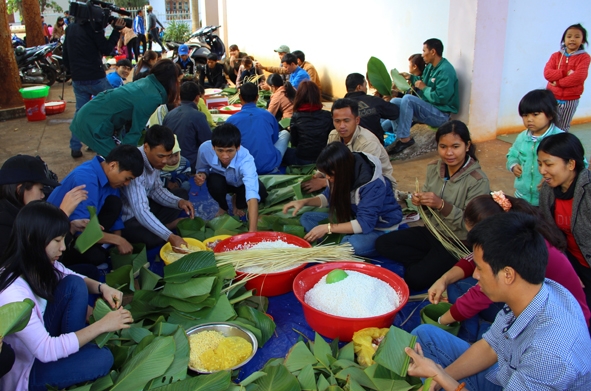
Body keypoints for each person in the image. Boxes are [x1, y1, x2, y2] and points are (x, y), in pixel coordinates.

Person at [406, 212, 591, 391]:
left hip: (521, 377)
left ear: (508, 274)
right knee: (425, 336)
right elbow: (490, 346)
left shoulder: (549, 353)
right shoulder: (530, 293)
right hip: (508, 375)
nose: (474, 275)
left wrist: (439, 376)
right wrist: (439, 378)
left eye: (479, 268)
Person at [0, 202, 133, 391]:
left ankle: (72, 353)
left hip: (39, 348)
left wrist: (103, 288)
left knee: (74, 284)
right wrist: (102, 325)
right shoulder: (14, 293)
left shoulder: (35, 262)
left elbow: (69, 274)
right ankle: (72, 358)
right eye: (57, 240)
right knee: (103, 358)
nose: (63, 248)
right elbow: (45, 350)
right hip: (27, 369)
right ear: (33, 239)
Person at [429, 192, 590, 343]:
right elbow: (475, 259)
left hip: (563, 325)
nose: (476, 274)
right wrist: (443, 279)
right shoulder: (516, 233)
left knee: (482, 325)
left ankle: (470, 336)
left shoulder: (517, 250)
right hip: (543, 309)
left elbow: (477, 297)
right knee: (458, 287)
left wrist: (440, 321)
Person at [375, 120, 490, 291]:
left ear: (467, 146)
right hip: (432, 232)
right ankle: (429, 261)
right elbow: (427, 208)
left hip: (455, 242)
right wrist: (420, 203)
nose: (449, 153)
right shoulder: (434, 168)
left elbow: (473, 227)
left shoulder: (477, 181)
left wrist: (442, 205)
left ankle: (434, 265)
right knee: (382, 244)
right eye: (443, 146)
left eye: (455, 146)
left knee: (414, 279)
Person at [283, 142, 402, 256]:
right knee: (307, 218)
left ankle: (343, 243)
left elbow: (365, 224)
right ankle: (338, 242)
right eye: (326, 174)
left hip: (378, 227)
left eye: (330, 175)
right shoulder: (340, 172)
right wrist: (304, 202)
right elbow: (328, 197)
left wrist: (327, 228)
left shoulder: (372, 184)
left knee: (353, 245)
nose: (328, 178)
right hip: (354, 218)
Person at [47, 145, 144, 268]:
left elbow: (116, 215)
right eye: (127, 178)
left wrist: (117, 245)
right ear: (113, 166)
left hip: (89, 226)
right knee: (96, 257)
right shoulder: (86, 180)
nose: (127, 184)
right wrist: (118, 240)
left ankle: (100, 245)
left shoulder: (110, 178)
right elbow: (81, 231)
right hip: (60, 236)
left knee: (114, 202)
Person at [71, 59, 180, 157]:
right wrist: (128, 157)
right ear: (171, 82)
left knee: (115, 159)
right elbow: (135, 132)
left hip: (91, 114)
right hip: (93, 122)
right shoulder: (152, 97)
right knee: (118, 160)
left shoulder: (147, 82)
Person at [538, 132, 591, 309]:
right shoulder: (548, 190)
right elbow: (550, 232)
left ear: (571, 164)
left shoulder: (588, 191)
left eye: (548, 164)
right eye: (540, 164)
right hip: (572, 263)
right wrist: (568, 269)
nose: (542, 171)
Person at [63, 12, 126, 158]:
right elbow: (107, 49)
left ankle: (75, 147)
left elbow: (65, 55)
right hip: (96, 78)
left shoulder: (71, 28)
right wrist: (116, 31)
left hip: (78, 79)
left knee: (80, 113)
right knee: (115, 108)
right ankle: (115, 144)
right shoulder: (94, 28)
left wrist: (72, 71)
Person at [121, 125, 194, 250]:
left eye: (168, 155)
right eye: (161, 156)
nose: (165, 161)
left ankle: (159, 226)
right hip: (130, 218)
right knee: (150, 239)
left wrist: (178, 202)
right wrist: (169, 236)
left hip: (146, 204)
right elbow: (141, 211)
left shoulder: (155, 162)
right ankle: (166, 227)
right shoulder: (135, 164)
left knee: (181, 195)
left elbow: (156, 190)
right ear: (146, 147)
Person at [302, 99, 397, 194]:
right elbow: (329, 163)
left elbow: (364, 176)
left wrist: (324, 182)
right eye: (337, 121)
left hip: (377, 183)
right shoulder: (333, 135)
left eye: (346, 121)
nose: (341, 126)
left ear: (357, 120)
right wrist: (319, 174)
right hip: (344, 178)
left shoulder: (367, 142)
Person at [0, 155, 88, 256]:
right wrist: (62, 215)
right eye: (40, 189)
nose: (42, 195)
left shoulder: (21, 211)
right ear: (20, 190)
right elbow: (31, 261)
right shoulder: (3, 223)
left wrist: (70, 228)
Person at [389, 38, 459, 154]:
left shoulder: (446, 70)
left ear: (433, 52)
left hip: (441, 115)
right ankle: (399, 137)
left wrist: (424, 88)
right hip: (429, 108)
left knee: (407, 99)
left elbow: (442, 98)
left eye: (424, 51)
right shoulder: (430, 67)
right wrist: (410, 77)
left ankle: (405, 140)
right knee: (394, 102)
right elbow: (422, 80)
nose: (422, 55)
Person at [195, 124, 267, 231]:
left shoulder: (246, 160)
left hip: (240, 183)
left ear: (237, 147)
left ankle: (236, 200)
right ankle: (223, 207)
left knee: (261, 193)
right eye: (220, 150)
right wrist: (202, 175)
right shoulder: (204, 149)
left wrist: (252, 231)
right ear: (213, 147)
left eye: (229, 151)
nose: (225, 156)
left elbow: (252, 194)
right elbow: (202, 168)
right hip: (221, 181)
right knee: (214, 183)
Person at [506, 89, 563, 206]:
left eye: (535, 114)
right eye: (525, 115)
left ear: (551, 114)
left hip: (549, 200)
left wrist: (554, 177)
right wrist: (513, 165)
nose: (529, 119)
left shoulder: (560, 138)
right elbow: (512, 154)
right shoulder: (522, 137)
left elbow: (578, 165)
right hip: (521, 197)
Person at [226, 83, 290, 174]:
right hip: (269, 166)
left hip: (243, 169)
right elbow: (274, 139)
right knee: (285, 134)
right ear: (257, 97)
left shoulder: (231, 120)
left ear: (240, 97)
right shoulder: (268, 115)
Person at [544, 23, 590, 131]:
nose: (572, 39)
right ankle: (544, 147)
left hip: (570, 100)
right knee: (546, 125)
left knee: (562, 127)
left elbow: (579, 76)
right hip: (551, 97)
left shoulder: (584, 57)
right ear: (564, 39)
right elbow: (547, 73)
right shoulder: (555, 56)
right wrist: (565, 72)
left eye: (577, 37)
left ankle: (559, 148)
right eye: (569, 36)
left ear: (583, 41)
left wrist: (558, 83)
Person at [162, 81, 212, 172]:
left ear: (180, 97)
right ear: (197, 98)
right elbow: (208, 142)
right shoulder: (198, 116)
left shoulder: (169, 114)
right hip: (190, 164)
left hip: (168, 162)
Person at [283, 81, 333, 165]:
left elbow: (294, 142)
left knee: (283, 152)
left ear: (299, 96)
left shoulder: (296, 116)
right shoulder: (327, 115)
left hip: (302, 158)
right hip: (323, 159)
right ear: (317, 96)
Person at [344, 73, 400, 143]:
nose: (366, 88)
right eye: (365, 85)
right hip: (374, 146)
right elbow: (395, 112)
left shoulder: (338, 106)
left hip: (350, 147)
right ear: (359, 87)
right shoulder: (374, 101)